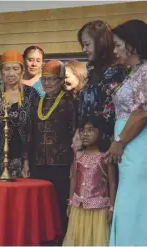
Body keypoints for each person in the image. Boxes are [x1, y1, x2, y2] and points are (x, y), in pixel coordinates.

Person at [106, 19, 147, 246]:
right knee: (131, 200)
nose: (115, 51)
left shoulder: (145, 72)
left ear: (132, 45)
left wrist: (119, 141)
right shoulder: (136, 72)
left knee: (135, 202)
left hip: (137, 144)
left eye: (118, 45)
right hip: (130, 144)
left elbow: (141, 113)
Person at [27, 60, 77, 241]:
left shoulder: (70, 101)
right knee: (41, 205)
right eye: (44, 80)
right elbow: (30, 134)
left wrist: (74, 161)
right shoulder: (38, 102)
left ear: (61, 80)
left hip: (61, 162)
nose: (47, 83)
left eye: (52, 80)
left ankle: (61, 238)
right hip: (38, 162)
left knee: (59, 202)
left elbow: (74, 132)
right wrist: (27, 160)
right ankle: (43, 238)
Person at [63, 116, 117, 246]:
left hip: (98, 209)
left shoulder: (104, 157)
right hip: (78, 207)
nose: (85, 134)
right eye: (82, 130)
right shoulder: (78, 155)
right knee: (77, 237)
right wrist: (70, 202)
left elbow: (112, 183)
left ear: (100, 133)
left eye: (90, 130)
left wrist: (111, 208)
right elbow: (73, 179)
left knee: (95, 239)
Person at [77, 20, 128, 145]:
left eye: (87, 44)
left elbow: (112, 114)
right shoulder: (93, 71)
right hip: (89, 143)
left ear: (101, 42)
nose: (84, 49)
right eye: (83, 45)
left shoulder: (115, 71)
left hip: (108, 144)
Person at [64, 60, 88, 152]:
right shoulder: (68, 96)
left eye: (66, 77)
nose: (64, 81)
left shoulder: (86, 95)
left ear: (78, 75)